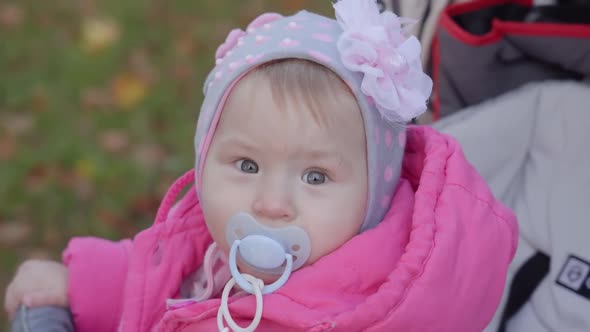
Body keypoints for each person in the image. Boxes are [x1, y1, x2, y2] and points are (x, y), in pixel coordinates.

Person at [4, 0, 518, 331]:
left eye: (315, 177)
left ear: (374, 199)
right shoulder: (217, 253)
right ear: (205, 160)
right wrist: (82, 283)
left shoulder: (349, 314)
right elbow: (165, 283)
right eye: (246, 165)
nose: (272, 204)